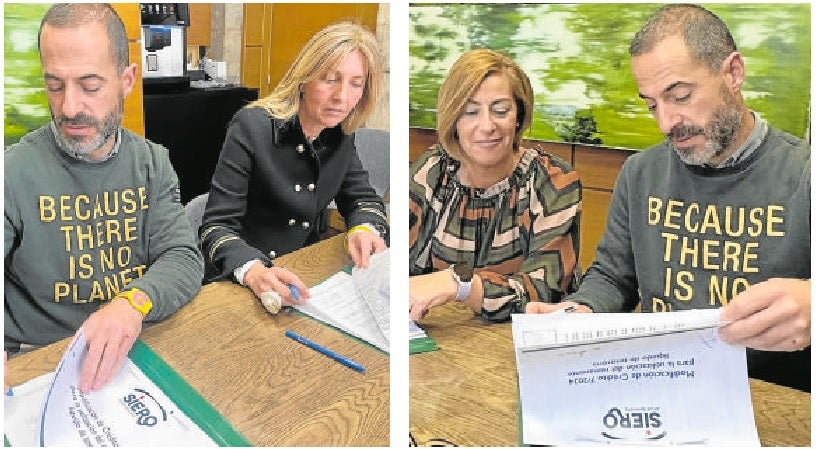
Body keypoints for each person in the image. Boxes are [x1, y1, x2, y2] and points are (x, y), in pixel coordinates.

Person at [526, 4, 810, 391]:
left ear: (733, 73)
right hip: (660, 388)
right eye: (652, 104)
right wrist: (581, 312)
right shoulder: (640, 173)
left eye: (680, 96)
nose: (665, 123)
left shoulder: (804, 173)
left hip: (772, 399)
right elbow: (612, 277)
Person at [4, 4, 204, 393]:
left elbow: (182, 257)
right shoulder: (13, 171)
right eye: (55, 85)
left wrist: (133, 303)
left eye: (90, 86)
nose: (69, 107)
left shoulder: (152, 163)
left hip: (132, 350)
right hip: (39, 362)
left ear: (127, 80)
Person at [199, 21, 389, 310]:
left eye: (356, 84)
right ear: (304, 79)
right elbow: (216, 226)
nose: (342, 97)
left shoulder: (339, 132)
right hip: (243, 278)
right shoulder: (252, 126)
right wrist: (254, 271)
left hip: (300, 270)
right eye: (330, 79)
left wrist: (364, 228)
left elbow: (361, 198)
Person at [409, 49, 582, 322]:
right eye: (470, 112)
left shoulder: (553, 181)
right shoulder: (431, 170)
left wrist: (461, 285)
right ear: (453, 120)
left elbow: (542, 293)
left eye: (500, 111)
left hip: (518, 338)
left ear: (519, 116)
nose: (487, 126)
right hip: (443, 332)